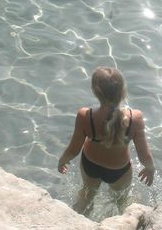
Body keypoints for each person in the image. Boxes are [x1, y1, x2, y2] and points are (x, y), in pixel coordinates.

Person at [58, 66, 155, 215]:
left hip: (90, 165)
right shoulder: (135, 118)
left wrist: (63, 160)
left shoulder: (85, 115)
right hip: (119, 170)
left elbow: (73, 149)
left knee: (86, 195)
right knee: (121, 202)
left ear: (95, 91)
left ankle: (77, 221)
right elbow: (145, 156)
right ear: (123, 90)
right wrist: (150, 169)